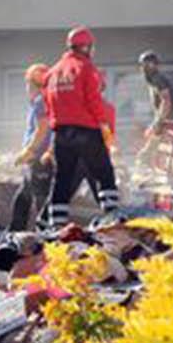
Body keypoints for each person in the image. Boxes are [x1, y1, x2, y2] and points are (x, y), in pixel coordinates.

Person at [43, 26, 120, 228]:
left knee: (62, 178)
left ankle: (56, 224)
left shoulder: (52, 72)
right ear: (86, 47)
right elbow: (93, 100)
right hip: (86, 130)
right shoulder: (85, 67)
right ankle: (112, 217)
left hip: (61, 133)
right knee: (104, 173)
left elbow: (48, 105)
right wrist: (103, 124)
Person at [10, 63, 54, 231]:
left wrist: (30, 151)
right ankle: (16, 230)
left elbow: (43, 129)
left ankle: (44, 233)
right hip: (40, 155)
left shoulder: (41, 101)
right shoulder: (44, 101)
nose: (26, 88)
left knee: (40, 197)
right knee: (24, 196)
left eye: (27, 84)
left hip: (40, 157)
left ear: (34, 84)